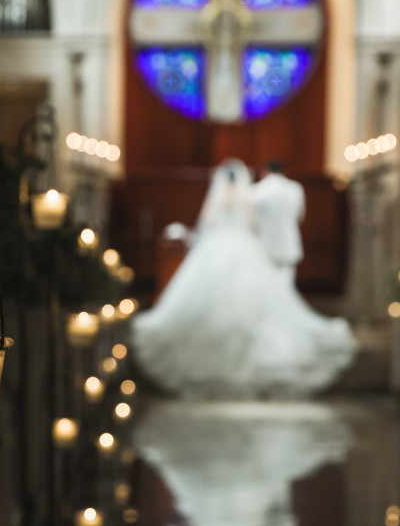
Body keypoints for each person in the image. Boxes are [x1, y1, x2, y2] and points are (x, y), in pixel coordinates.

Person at [130, 158, 357, 398]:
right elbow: (255, 223)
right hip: (248, 245)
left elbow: (207, 221)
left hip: (216, 246)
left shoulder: (232, 196)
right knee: (267, 298)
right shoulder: (256, 195)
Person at [251, 161, 305, 283]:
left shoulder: (257, 189)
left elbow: (252, 220)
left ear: (265, 171)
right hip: (288, 242)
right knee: (286, 284)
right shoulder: (295, 188)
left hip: (263, 245)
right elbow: (299, 216)